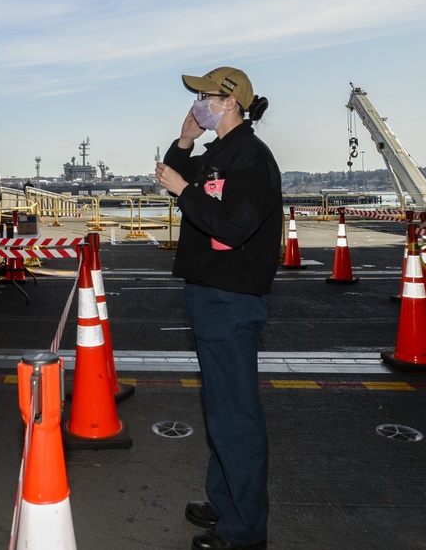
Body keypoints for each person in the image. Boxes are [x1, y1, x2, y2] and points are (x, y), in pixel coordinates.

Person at [154, 66, 281, 550]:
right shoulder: (221, 153)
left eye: (204, 97)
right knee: (221, 409)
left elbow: (232, 225)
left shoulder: (251, 157)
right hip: (211, 294)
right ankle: (226, 502)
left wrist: (182, 190)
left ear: (229, 102)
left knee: (236, 415)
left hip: (230, 299)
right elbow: (180, 181)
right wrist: (184, 141)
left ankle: (244, 530)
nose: (197, 104)